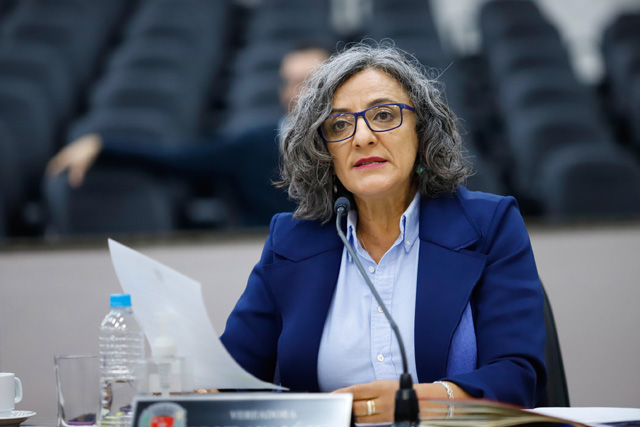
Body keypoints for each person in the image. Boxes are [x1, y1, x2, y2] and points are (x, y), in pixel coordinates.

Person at [219, 43, 546, 424]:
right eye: (339, 125)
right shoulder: (291, 240)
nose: (362, 137)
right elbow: (231, 378)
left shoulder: (489, 225)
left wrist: (419, 402)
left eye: (384, 115)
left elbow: (517, 377)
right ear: (324, 151)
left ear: (422, 131)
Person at [45, 45, 331, 224]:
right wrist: (102, 144)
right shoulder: (250, 146)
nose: (298, 92)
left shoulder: (351, 145)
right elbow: (175, 158)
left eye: (310, 81)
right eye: (291, 82)